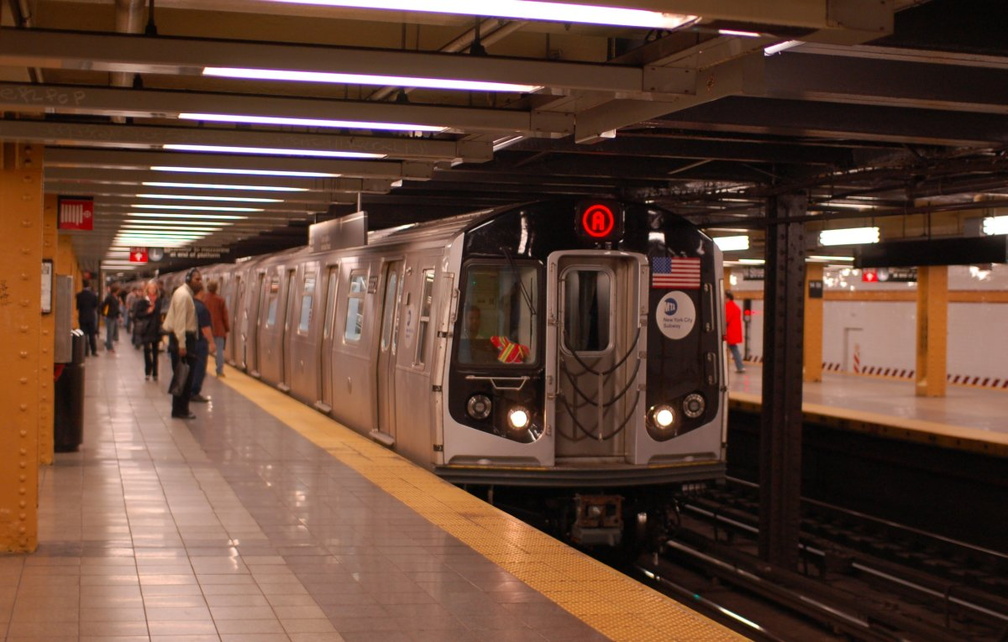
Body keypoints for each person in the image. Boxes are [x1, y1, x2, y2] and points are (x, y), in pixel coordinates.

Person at [162, 269, 201, 419]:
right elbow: (179, 322)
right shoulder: (183, 295)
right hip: (183, 339)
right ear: (189, 279)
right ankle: (180, 410)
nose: (200, 282)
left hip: (182, 338)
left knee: (182, 375)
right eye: (197, 279)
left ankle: (180, 409)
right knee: (184, 376)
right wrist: (182, 345)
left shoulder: (184, 294)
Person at [132, 280, 163, 381]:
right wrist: (147, 312)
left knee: (155, 352)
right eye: (150, 288)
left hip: (156, 329)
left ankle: (155, 373)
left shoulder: (158, 301)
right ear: (147, 289)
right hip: (146, 329)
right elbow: (137, 314)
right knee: (146, 351)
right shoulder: (142, 301)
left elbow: (160, 313)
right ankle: (147, 371)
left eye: (154, 288)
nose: (152, 290)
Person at [189, 292, 216, 403]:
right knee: (199, 368)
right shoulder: (201, 308)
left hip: (190, 340)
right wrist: (212, 342)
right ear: (201, 293)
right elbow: (205, 328)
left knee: (192, 367)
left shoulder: (189, 304)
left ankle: (189, 391)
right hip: (200, 342)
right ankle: (194, 392)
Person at [202, 280, 230, 377]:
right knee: (219, 351)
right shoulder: (220, 300)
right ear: (216, 288)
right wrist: (226, 328)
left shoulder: (203, 299)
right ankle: (219, 371)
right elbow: (225, 316)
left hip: (205, 329)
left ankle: (202, 370)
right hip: (219, 329)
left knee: (203, 351)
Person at [75, 279, 99, 356]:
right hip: (91, 318)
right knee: (92, 335)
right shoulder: (93, 295)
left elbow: (77, 307)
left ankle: (85, 352)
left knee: (84, 335)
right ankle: (94, 351)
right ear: (89, 285)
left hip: (82, 317)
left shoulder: (79, 295)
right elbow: (95, 305)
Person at [725, 292, 745, 373]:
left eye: (724, 297)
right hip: (733, 331)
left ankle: (739, 367)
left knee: (732, 349)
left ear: (728, 298)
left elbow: (726, 319)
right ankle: (740, 366)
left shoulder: (728, 306)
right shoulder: (735, 306)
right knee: (734, 349)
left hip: (729, 331)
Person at [100, 283, 121, 354]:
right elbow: (103, 305)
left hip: (114, 316)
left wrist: (118, 316)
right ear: (116, 290)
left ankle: (108, 344)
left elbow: (116, 308)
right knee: (110, 332)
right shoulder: (109, 297)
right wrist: (103, 314)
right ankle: (110, 347)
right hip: (110, 316)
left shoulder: (116, 297)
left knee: (113, 332)